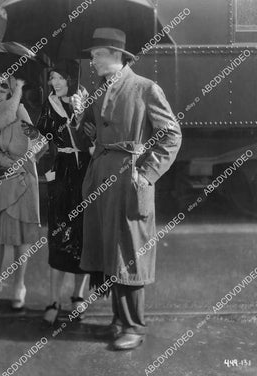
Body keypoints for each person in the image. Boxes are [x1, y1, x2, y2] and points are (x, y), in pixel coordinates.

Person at [76, 28, 182, 350]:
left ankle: (134, 325)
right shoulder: (100, 91)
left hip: (130, 179)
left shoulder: (145, 88)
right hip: (102, 179)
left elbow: (171, 134)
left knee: (130, 249)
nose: (92, 60)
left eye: (96, 54)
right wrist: (82, 118)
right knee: (110, 248)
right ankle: (118, 321)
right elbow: (93, 136)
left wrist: (147, 173)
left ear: (115, 55)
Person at [0, 74, 47, 310]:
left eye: (2, 90)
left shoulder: (19, 110)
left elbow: (39, 141)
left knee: (21, 236)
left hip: (21, 179)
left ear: (11, 92)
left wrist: (21, 156)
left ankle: (19, 285)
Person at [36, 61, 92, 326]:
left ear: (70, 78)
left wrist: (80, 117)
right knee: (58, 235)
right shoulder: (48, 105)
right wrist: (47, 170)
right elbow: (42, 141)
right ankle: (54, 299)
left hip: (84, 174)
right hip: (61, 173)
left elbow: (94, 139)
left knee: (81, 235)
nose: (54, 83)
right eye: (52, 78)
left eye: (59, 77)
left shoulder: (85, 102)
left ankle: (78, 296)